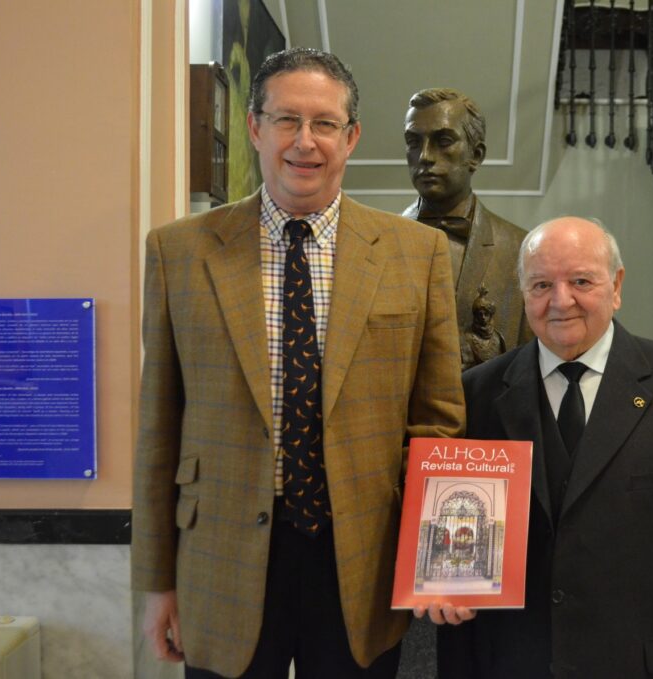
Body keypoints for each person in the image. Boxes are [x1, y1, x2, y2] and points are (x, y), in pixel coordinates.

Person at [131, 47, 465, 679]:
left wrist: (438, 562)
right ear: (255, 127)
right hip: (221, 559)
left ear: (352, 136)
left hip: (361, 561)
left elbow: (437, 425)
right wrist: (156, 585)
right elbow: (158, 430)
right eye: (286, 120)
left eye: (324, 124)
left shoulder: (417, 253)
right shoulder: (179, 252)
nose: (304, 142)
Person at [427, 217, 653, 678]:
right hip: (512, 663)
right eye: (541, 284)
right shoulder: (476, 395)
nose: (561, 301)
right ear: (523, 292)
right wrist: (444, 586)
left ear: (616, 286)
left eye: (581, 281)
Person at [402, 88, 531, 364]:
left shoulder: (521, 248)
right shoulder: (380, 244)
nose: (424, 156)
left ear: (476, 154)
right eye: (414, 142)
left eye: (443, 141)